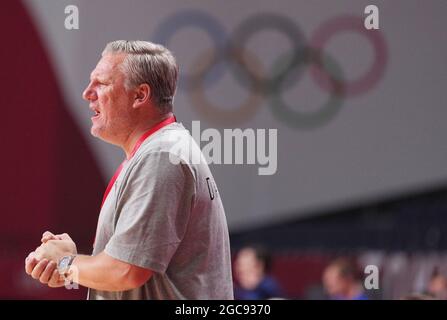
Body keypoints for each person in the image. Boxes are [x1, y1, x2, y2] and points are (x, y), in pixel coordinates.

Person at [24, 40, 233, 299]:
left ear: (140, 96)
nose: (88, 93)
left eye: (102, 83)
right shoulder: (160, 151)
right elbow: (125, 270)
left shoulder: (161, 156)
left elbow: (126, 271)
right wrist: (74, 264)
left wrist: (66, 264)